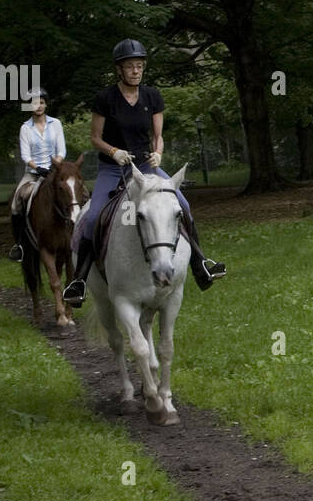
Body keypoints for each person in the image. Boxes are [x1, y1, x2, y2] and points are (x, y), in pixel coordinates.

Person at [62, 39, 225, 307]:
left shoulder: (152, 96)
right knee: (92, 218)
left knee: (183, 205)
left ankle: (201, 264)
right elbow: (95, 138)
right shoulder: (105, 99)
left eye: (139, 66)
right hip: (113, 169)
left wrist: (158, 152)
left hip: (147, 167)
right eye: (130, 66)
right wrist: (113, 151)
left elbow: (158, 136)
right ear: (119, 70)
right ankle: (79, 281)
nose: (135, 71)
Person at [8, 88, 65, 262]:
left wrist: (55, 165)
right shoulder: (25, 128)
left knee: (80, 193)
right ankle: (19, 245)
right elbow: (25, 155)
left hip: (55, 171)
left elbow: (61, 150)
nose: (38, 106)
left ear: (46, 104)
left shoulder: (55, 124)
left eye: (41, 102)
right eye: (34, 103)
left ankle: (81, 233)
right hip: (33, 174)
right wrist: (38, 168)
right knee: (15, 204)